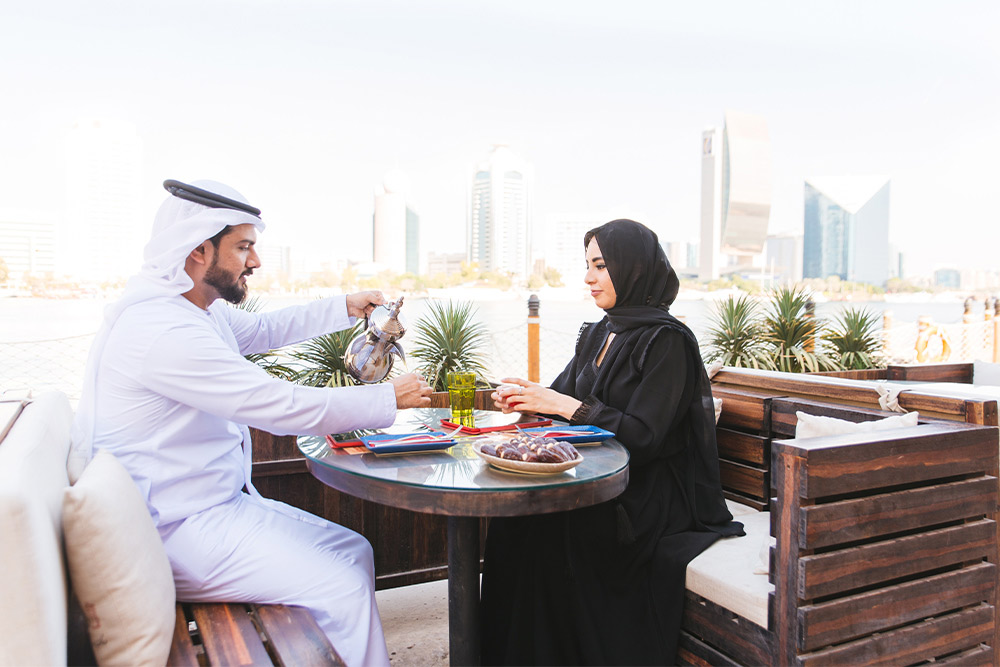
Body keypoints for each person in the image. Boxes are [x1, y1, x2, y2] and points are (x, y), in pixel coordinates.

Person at [69, 179, 432, 667]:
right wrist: (387, 397)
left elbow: (263, 330)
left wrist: (343, 306)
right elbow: (282, 406)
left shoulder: (194, 311)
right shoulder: (162, 330)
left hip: (211, 510)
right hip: (173, 531)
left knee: (354, 550)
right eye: (243, 247)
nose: (255, 261)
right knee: (340, 582)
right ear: (198, 250)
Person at [480, 219, 744, 665]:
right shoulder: (601, 332)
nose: (588, 277)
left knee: (551, 533)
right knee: (512, 523)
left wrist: (563, 406)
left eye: (601, 265)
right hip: (592, 477)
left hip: (645, 493)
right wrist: (528, 398)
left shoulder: (668, 342)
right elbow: (563, 394)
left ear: (634, 268)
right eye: (587, 265)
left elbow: (643, 437)